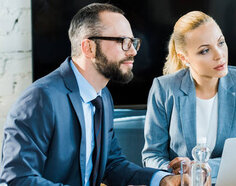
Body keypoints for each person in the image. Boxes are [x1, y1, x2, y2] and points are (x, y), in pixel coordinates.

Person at [0, 3, 179, 186]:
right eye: (123, 42)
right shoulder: (40, 99)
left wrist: (163, 179)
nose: (133, 51)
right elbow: (18, 178)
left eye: (133, 43)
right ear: (89, 48)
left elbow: (112, 164)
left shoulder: (103, 97)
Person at [142, 11, 236, 180]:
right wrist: (175, 171)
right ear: (184, 58)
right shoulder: (164, 88)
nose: (219, 55)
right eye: (205, 50)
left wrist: (202, 168)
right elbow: (151, 156)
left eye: (221, 43)